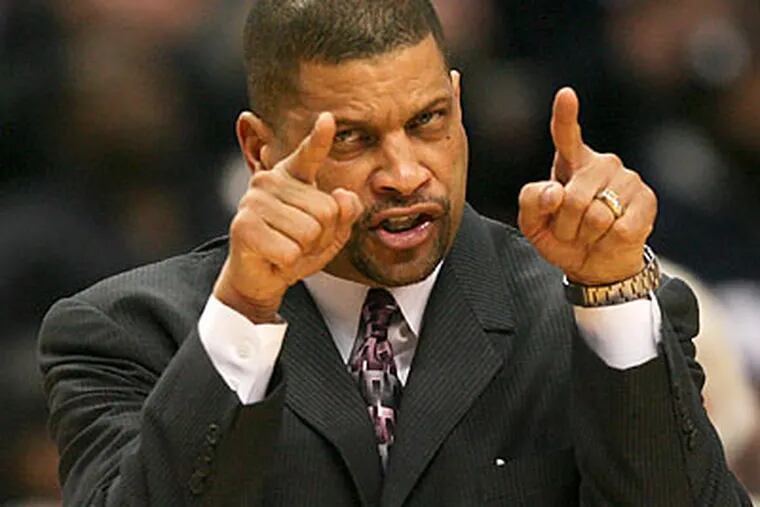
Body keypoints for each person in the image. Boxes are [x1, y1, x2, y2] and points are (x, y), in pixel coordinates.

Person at [38, 1, 751, 505]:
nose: (406, 174)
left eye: (428, 121)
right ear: (260, 148)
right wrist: (246, 309)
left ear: (458, 105)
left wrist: (613, 296)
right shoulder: (124, 332)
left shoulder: (589, 310)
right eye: (351, 137)